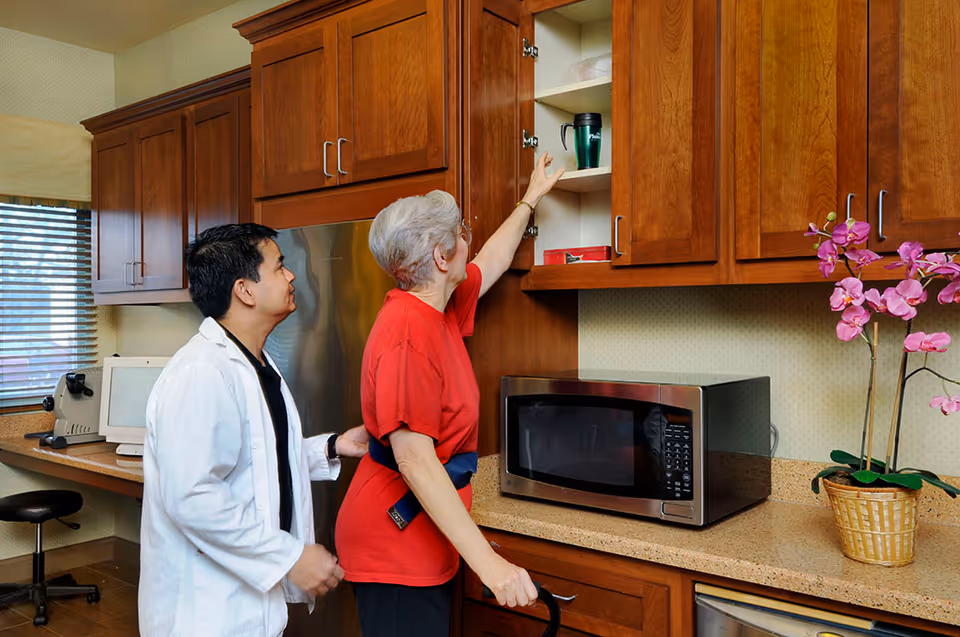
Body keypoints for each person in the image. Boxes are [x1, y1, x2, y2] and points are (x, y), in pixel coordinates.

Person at [335, 153, 565, 636]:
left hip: (422, 532)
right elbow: (415, 461)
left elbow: (494, 260)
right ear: (441, 258)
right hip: (393, 543)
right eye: (461, 234)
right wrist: (491, 565)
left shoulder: (437, 307)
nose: (469, 241)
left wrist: (531, 198)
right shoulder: (407, 333)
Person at [139, 223, 370, 637]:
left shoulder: (255, 363)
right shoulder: (200, 374)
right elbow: (193, 496)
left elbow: (259, 458)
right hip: (205, 612)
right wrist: (290, 557)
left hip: (245, 607)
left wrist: (332, 447)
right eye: (280, 267)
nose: (292, 275)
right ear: (245, 291)